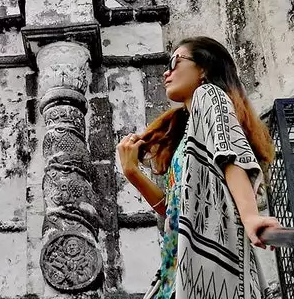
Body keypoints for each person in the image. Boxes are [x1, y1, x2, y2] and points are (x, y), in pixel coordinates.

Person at [117, 37, 278, 299]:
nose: (166, 72)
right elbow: (172, 208)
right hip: (181, 273)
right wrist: (133, 173)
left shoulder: (210, 95)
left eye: (175, 61)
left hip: (211, 269)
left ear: (203, 68)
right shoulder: (189, 132)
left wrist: (250, 217)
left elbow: (231, 155)